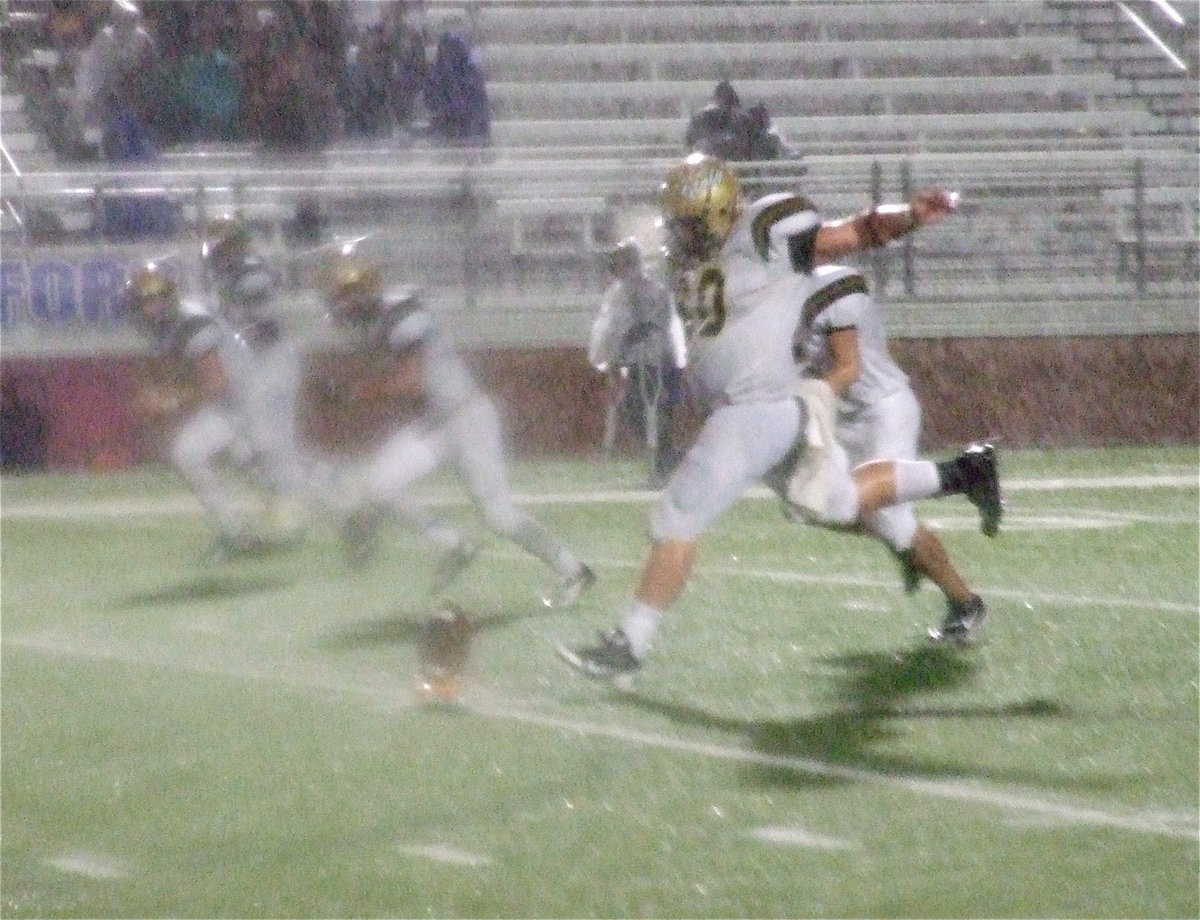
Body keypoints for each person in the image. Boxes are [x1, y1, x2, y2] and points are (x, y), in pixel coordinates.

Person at [557, 153, 1001, 682]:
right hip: (759, 408)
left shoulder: (764, 231)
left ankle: (627, 646)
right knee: (834, 504)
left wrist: (908, 214)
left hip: (757, 407)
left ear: (722, 212)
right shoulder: (686, 259)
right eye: (677, 220)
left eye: (691, 220)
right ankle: (962, 473)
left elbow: (853, 233)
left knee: (678, 514)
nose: (681, 231)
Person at [323, 250, 595, 607]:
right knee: (377, 485)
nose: (340, 305)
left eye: (344, 296)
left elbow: (411, 380)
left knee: (499, 516)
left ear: (362, 293)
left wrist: (360, 392)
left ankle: (574, 570)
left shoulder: (403, 316)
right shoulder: (378, 321)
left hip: (467, 418)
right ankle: (453, 544)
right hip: (435, 424)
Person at [793, 263, 989, 643]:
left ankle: (966, 604)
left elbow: (849, 368)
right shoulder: (773, 302)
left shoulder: (827, 288)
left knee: (889, 519)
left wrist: (803, 402)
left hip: (881, 410)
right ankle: (911, 546)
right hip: (841, 414)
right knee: (812, 505)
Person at [123, 263, 294, 560]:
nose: (149, 308)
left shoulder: (191, 324)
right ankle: (290, 504)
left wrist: (171, 401)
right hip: (237, 397)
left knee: (190, 453)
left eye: (154, 300)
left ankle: (239, 532)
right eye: (144, 301)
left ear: (169, 298)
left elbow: (217, 382)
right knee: (245, 460)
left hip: (242, 399)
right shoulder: (175, 323)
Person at [200, 214, 311, 534]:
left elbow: (261, 326)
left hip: (271, 361)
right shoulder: (229, 271)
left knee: (270, 441)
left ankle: (317, 500)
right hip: (256, 363)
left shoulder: (250, 272)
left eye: (220, 239)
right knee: (254, 443)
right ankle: (288, 503)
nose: (214, 246)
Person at [588, 238, 687, 483]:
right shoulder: (658, 289)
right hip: (665, 361)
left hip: (644, 362)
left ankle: (664, 464)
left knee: (636, 410)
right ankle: (667, 462)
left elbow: (615, 330)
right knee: (658, 412)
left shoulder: (622, 293)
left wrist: (610, 360)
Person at [423, 29, 491, 146]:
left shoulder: (471, 73)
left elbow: (479, 102)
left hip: (465, 124)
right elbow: (431, 100)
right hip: (450, 123)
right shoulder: (437, 73)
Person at [683, 79, 756, 161]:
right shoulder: (704, 117)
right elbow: (692, 142)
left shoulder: (742, 119)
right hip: (708, 160)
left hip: (732, 161)